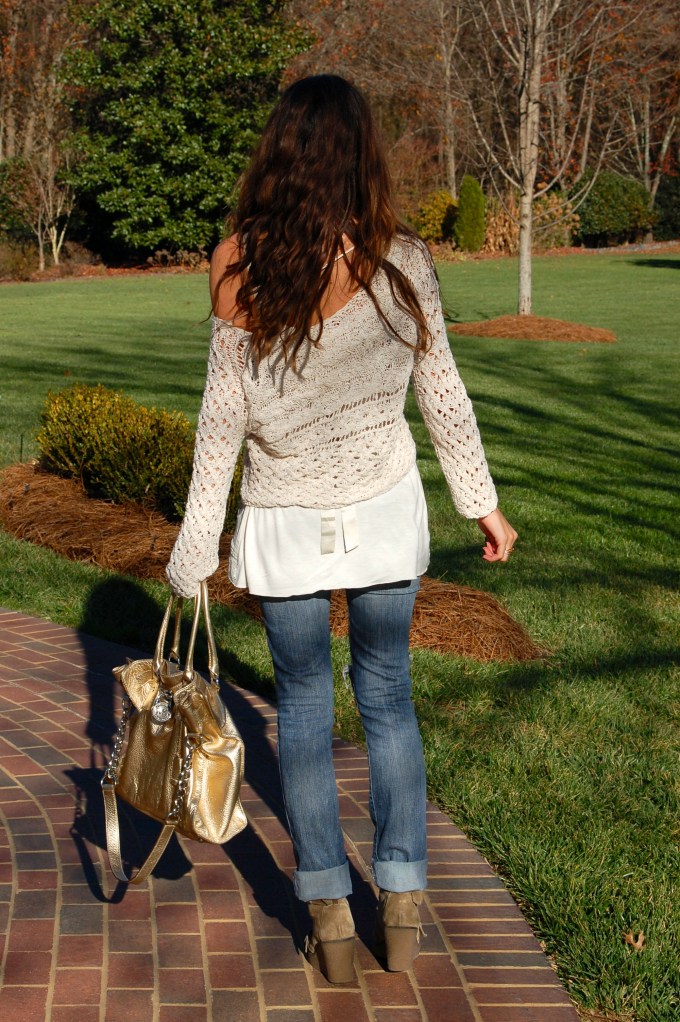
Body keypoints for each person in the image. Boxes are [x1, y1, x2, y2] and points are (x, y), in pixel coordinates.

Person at [166, 74, 517, 984]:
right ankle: (400, 903)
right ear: (362, 157)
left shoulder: (236, 263)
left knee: (304, 712)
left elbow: (219, 424)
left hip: (283, 521)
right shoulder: (403, 261)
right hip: (383, 511)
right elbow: (443, 390)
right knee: (389, 698)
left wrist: (196, 543)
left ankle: (327, 914)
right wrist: (480, 500)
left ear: (277, 157)